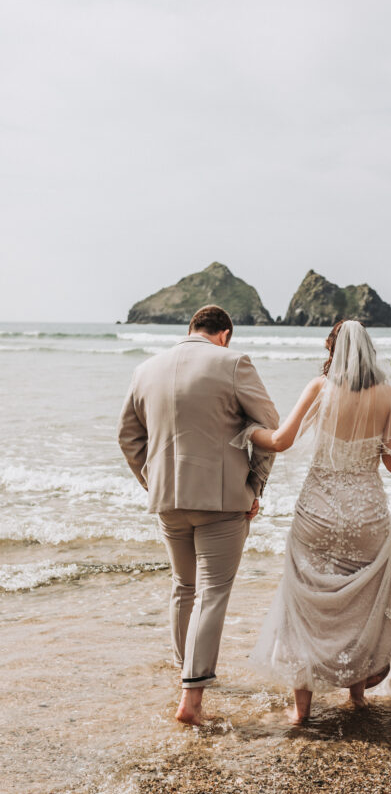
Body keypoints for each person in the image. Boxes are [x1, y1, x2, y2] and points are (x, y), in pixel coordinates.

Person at [241, 319, 391, 723]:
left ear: (334, 351)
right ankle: (357, 697)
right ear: (370, 350)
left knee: (304, 600)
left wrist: (246, 431)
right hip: (366, 514)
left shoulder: (318, 389)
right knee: (361, 604)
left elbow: (281, 441)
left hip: (318, 512)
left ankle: (301, 709)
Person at [117, 305, 279, 725]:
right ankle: (191, 701)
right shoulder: (233, 362)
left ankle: (184, 669)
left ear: (191, 328)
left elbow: (128, 437)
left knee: (183, 586)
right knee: (213, 592)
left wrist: (151, 482)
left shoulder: (146, 369)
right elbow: (270, 426)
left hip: (167, 500)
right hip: (222, 500)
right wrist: (254, 486)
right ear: (224, 334)